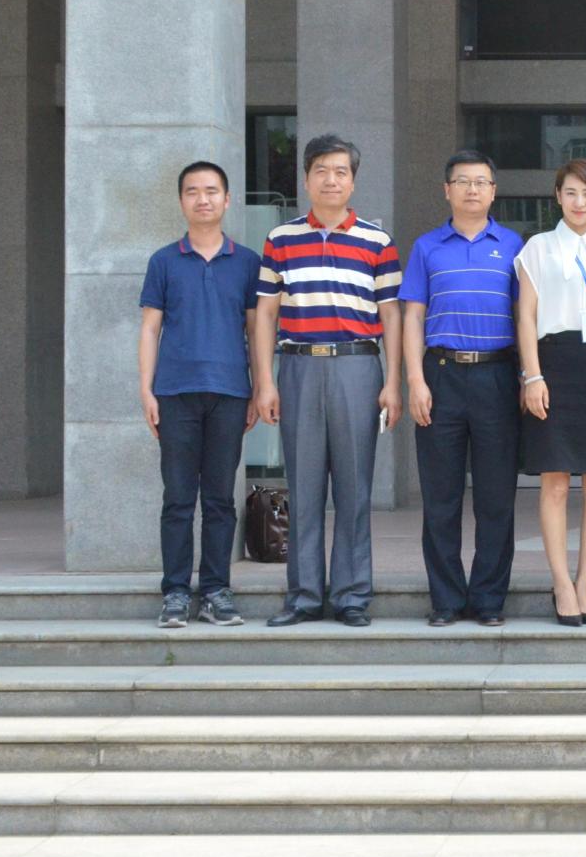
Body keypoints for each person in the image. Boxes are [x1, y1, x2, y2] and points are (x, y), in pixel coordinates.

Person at [251, 134, 403, 629]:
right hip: (298, 367)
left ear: (353, 181)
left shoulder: (378, 241)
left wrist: (393, 381)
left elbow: (392, 314)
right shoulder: (281, 239)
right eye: (321, 170)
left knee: (355, 487)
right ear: (306, 178)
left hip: (358, 367)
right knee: (304, 486)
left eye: (340, 171)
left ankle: (352, 595)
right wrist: (265, 381)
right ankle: (304, 596)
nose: (331, 180)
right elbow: (265, 313)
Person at [137, 160, 263, 629]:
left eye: (211, 191)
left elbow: (256, 330)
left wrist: (259, 387)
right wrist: (146, 389)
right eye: (193, 191)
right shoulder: (163, 261)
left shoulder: (247, 262)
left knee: (219, 499)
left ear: (228, 200)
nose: (202, 199)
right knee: (177, 497)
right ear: (181, 201)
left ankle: (215, 590)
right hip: (174, 392)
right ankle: (174, 592)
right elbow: (150, 329)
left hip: (229, 393)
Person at [401, 150, 523, 628]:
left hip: (497, 376)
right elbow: (413, 316)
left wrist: (526, 377)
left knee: (496, 497)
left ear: (493, 191)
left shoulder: (513, 245)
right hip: (441, 375)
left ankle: (489, 600)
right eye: (463, 181)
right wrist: (415, 380)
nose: (473, 189)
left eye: (481, 182)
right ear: (446, 190)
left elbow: (524, 317)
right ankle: (447, 600)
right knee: (441, 497)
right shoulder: (427, 247)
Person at [513, 158, 586, 626]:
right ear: (557, 197)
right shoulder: (537, 248)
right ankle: (561, 583)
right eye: (571, 192)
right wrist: (532, 376)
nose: (579, 202)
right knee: (555, 480)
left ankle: (584, 583)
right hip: (554, 364)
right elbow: (526, 317)